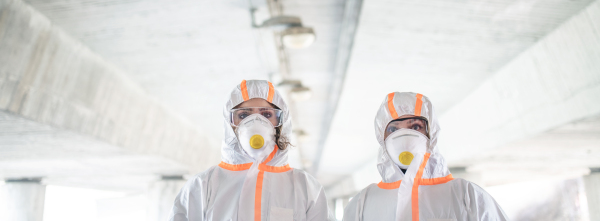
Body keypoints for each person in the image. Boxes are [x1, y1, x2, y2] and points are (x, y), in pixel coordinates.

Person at [169, 79, 331, 221]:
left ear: (281, 122)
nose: (256, 122)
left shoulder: (306, 188)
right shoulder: (202, 186)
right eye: (243, 115)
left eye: (267, 115)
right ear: (230, 123)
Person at [343, 92, 508, 221]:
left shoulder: (467, 196)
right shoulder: (362, 203)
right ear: (382, 138)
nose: (404, 137)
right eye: (393, 130)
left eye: (415, 126)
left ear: (431, 134)